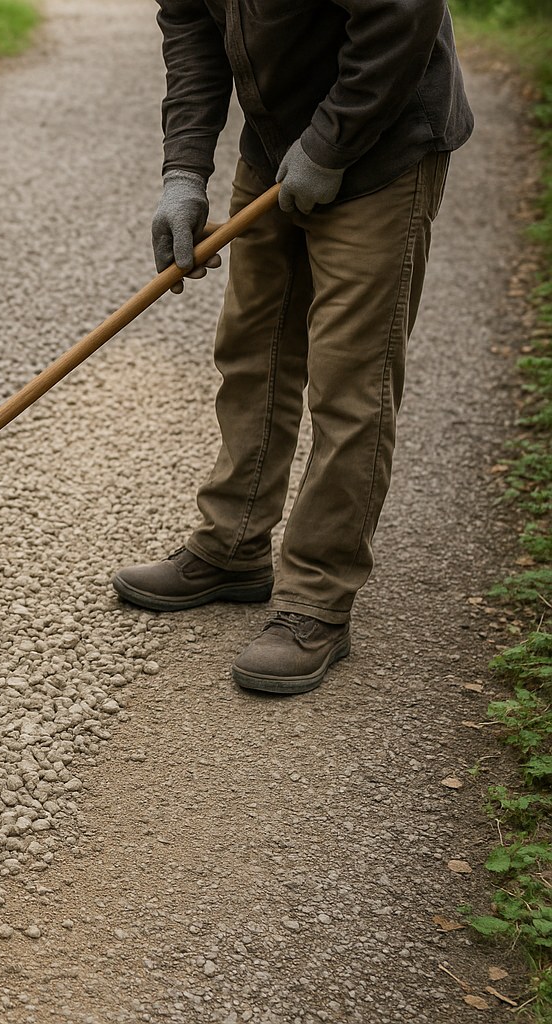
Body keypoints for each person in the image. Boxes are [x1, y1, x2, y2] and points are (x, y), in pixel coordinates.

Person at [111, 0, 473, 694]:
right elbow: (191, 26)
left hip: (384, 149)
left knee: (350, 380)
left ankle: (316, 599)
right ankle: (234, 545)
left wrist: (331, 144)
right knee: (252, 349)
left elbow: (402, 17)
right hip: (277, 144)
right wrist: (183, 173)